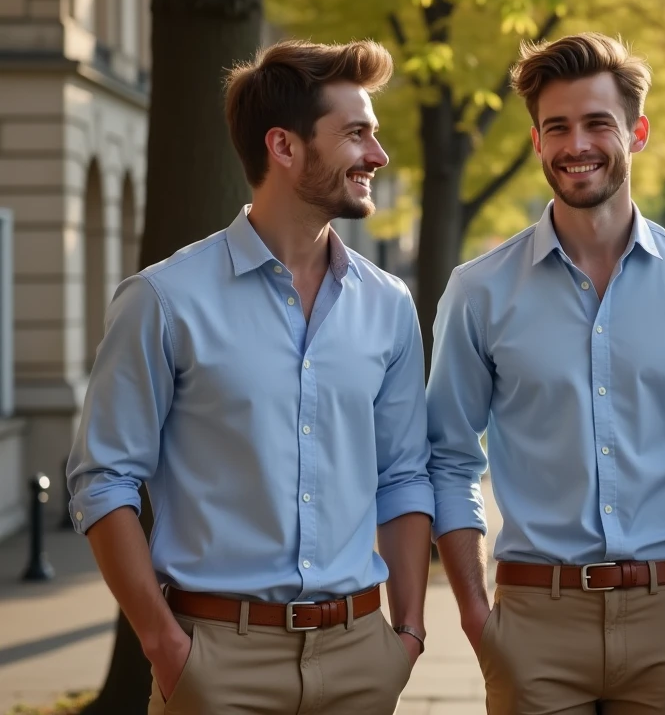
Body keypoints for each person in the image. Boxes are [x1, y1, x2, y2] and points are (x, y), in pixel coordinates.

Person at [65, 39, 432, 715]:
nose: (377, 156)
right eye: (356, 135)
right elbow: (102, 478)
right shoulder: (164, 299)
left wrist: (406, 635)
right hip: (216, 664)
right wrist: (166, 647)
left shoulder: (390, 305)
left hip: (360, 661)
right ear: (285, 148)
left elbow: (405, 473)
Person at [426, 32, 665, 714]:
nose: (576, 144)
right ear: (536, 142)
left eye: (596, 124)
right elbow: (448, 462)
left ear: (636, 133)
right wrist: (473, 615)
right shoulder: (480, 290)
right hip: (533, 622)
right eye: (557, 127)